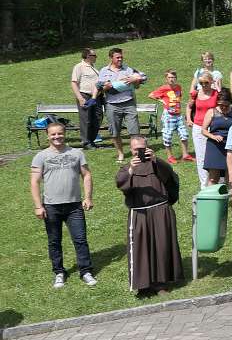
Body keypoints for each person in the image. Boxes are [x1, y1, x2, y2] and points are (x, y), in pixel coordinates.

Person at [31, 121, 96, 288]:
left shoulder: (77, 153)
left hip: (74, 205)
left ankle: (86, 271)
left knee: (80, 239)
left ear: (64, 133)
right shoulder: (41, 156)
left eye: (59, 133)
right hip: (51, 206)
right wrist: (39, 206)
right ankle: (59, 272)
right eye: (53, 134)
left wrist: (88, 197)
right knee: (54, 241)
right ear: (48, 136)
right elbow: (34, 182)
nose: (57, 136)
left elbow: (87, 175)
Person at [116, 136, 182, 296]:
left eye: (142, 148)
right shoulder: (127, 168)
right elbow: (120, 183)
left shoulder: (157, 164)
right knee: (140, 248)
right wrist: (131, 170)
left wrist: (156, 159)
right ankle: (143, 286)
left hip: (160, 209)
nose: (139, 151)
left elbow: (170, 175)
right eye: (135, 149)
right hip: (139, 213)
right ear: (131, 150)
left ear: (148, 147)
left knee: (162, 246)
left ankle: (161, 284)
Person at [98, 48, 147, 164]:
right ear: (111, 58)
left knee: (134, 130)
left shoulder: (128, 69)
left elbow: (139, 84)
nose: (120, 59)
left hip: (128, 103)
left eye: (121, 57)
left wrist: (135, 79)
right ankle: (120, 153)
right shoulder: (104, 71)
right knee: (115, 131)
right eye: (117, 57)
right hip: (112, 105)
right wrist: (107, 87)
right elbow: (100, 89)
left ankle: (136, 154)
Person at [70, 48, 103, 149]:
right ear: (88, 56)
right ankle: (86, 142)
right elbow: (74, 83)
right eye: (94, 55)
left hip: (96, 97)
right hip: (85, 95)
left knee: (98, 117)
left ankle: (92, 140)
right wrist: (80, 98)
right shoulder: (79, 67)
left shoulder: (93, 67)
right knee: (86, 119)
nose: (96, 57)